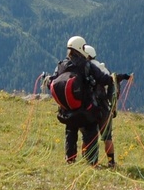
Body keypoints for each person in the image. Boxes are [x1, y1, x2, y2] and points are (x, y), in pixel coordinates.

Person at [46, 36, 112, 166]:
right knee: (90, 133)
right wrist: (111, 79)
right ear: (80, 48)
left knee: (70, 132)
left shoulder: (61, 65)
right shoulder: (87, 65)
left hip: (67, 108)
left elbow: (51, 82)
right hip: (85, 109)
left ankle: (70, 160)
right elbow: (103, 79)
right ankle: (92, 162)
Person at [84, 44, 132, 168]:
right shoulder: (103, 68)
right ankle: (111, 162)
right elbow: (113, 79)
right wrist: (126, 76)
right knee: (107, 137)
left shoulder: (87, 68)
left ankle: (87, 161)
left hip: (91, 107)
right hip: (106, 109)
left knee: (89, 134)